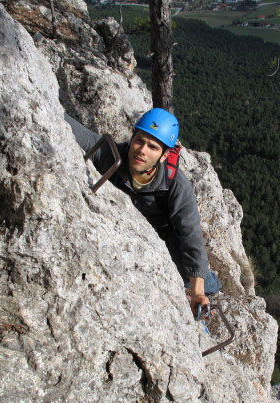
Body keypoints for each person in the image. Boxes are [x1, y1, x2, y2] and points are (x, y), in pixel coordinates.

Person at [65, 108, 221, 314]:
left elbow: (190, 235)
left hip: (164, 238)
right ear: (132, 138)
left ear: (164, 155)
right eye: (139, 141)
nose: (142, 150)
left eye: (153, 147)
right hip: (129, 231)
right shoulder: (111, 154)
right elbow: (72, 127)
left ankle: (211, 286)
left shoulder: (175, 185)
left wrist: (198, 292)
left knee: (192, 279)